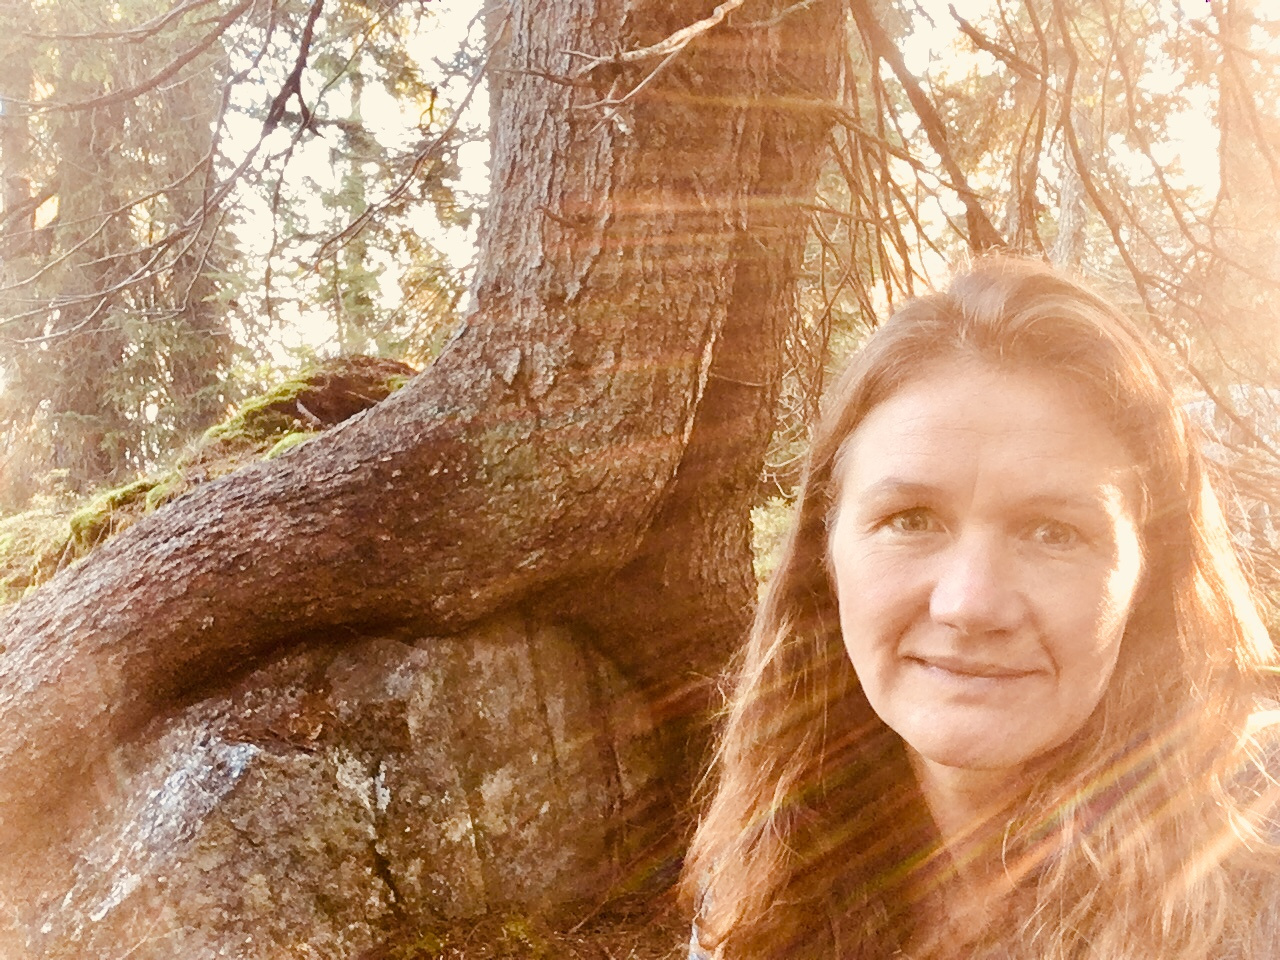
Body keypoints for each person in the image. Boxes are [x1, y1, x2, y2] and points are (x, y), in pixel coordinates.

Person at [681, 257, 1280, 960]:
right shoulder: (763, 866)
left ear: (1150, 577)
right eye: (910, 519)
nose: (970, 604)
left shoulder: (1258, 861)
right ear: (826, 558)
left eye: (1053, 532)